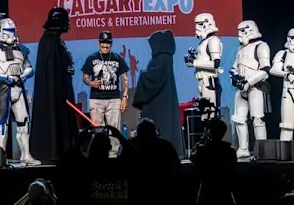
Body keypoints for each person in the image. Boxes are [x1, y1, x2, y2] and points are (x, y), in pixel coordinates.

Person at [0, 13, 40, 166]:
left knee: (24, 122)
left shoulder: (21, 49)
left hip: (18, 88)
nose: (12, 33)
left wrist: (23, 76)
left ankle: (26, 155)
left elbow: (29, 68)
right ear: (2, 30)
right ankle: (1, 158)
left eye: (13, 30)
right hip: (2, 89)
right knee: (1, 125)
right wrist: (5, 77)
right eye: (9, 30)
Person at [30, 7, 78, 163]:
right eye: (66, 21)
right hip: (56, 93)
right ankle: (55, 151)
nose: (68, 25)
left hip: (61, 91)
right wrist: (64, 72)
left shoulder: (55, 40)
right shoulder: (49, 42)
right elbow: (52, 71)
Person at [132, 29, 185, 158]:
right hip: (161, 100)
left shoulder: (162, 58)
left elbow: (155, 78)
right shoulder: (163, 58)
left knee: (161, 126)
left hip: (159, 102)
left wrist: (143, 74)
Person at [81, 30, 130, 157]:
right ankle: (99, 157)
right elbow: (85, 77)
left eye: (107, 44)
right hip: (96, 99)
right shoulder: (91, 58)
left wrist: (124, 97)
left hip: (114, 99)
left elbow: (125, 79)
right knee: (98, 131)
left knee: (114, 130)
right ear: (98, 43)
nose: (105, 46)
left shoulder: (118, 59)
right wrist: (91, 83)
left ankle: (113, 156)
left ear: (111, 44)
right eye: (103, 44)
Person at [229, 20, 271, 158]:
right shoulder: (241, 49)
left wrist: (248, 81)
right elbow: (235, 67)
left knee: (258, 120)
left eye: (242, 30)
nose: (240, 34)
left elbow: (265, 69)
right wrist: (234, 78)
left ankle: (262, 150)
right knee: (239, 119)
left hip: (256, 87)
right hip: (241, 88)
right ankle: (243, 148)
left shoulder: (261, 46)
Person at [189, 119, 237, 205]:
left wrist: (203, 139)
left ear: (209, 131)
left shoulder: (203, 149)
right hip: (225, 192)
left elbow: (192, 157)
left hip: (206, 192)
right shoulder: (230, 150)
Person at [185, 13, 223, 120]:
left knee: (210, 113)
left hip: (209, 81)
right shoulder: (204, 42)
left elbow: (216, 64)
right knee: (205, 114)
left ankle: (213, 135)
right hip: (203, 81)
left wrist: (195, 62)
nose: (197, 28)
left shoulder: (213, 40)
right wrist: (191, 60)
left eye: (199, 24)